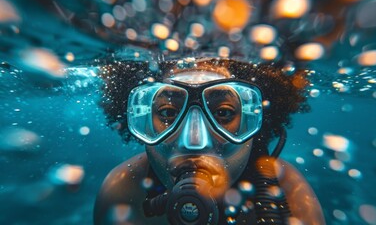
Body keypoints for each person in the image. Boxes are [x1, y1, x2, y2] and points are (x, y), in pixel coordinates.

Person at [93, 57, 325, 225]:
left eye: (223, 113)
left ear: (257, 121)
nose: (194, 142)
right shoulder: (122, 192)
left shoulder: (289, 195)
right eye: (167, 113)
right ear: (142, 120)